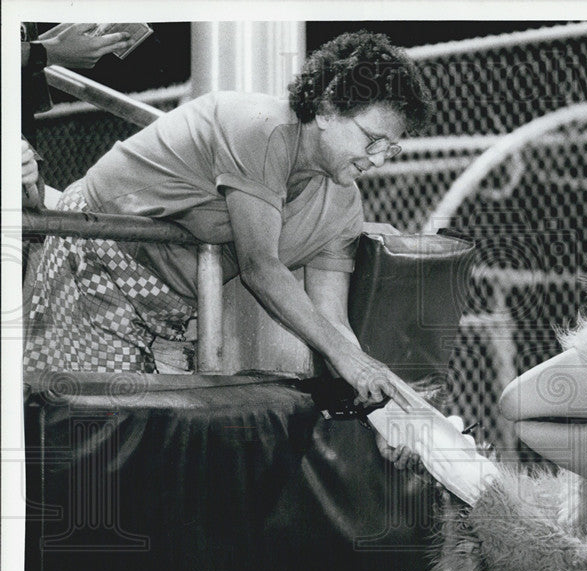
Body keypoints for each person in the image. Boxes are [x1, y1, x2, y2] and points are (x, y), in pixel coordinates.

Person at [23, 31, 430, 409]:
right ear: (327, 110)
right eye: (372, 140)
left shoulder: (344, 206)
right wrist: (353, 363)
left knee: (149, 439)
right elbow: (261, 268)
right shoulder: (261, 126)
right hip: (90, 256)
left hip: (169, 313)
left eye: (390, 150)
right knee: (93, 429)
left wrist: (377, 393)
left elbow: (332, 321)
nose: (377, 159)